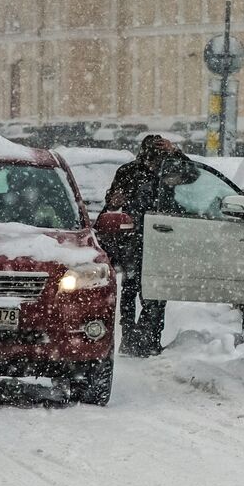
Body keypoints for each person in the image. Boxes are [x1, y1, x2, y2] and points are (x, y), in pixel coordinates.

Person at [102, 135, 196, 357]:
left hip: (161, 236)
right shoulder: (128, 172)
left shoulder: (170, 169)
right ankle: (129, 337)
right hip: (133, 237)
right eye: (152, 155)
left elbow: (193, 174)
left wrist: (176, 152)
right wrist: (114, 200)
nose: (154, 161)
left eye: (160, 154)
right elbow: (112, 201)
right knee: (131, 288)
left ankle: (150, 338)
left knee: (155, 290)